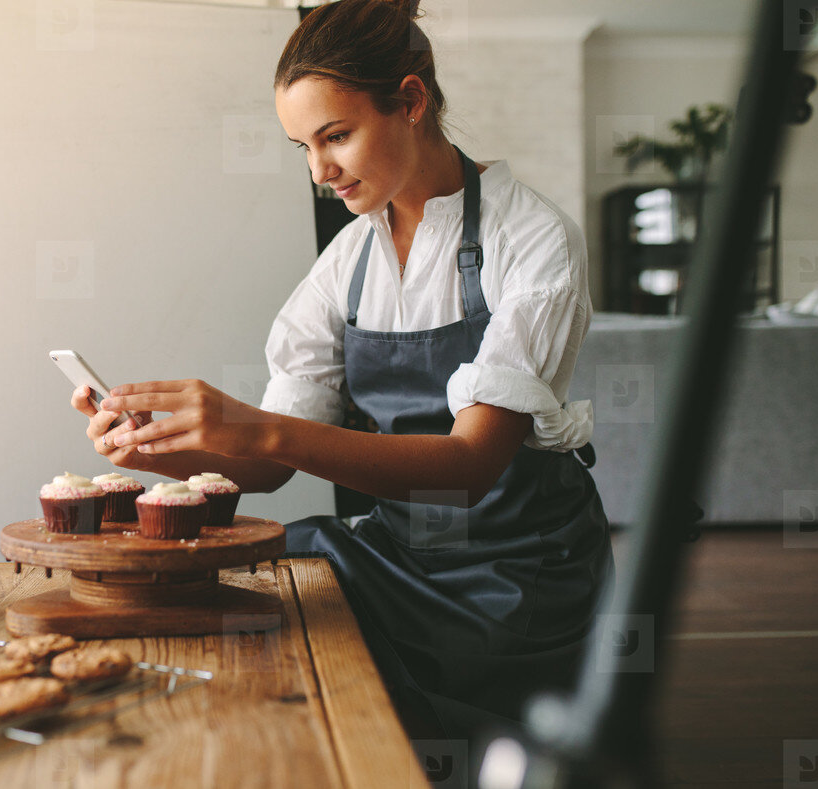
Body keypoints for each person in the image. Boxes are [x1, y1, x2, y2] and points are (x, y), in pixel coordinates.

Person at [70, 0, 613, 741]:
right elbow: (264, 468)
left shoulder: (536, 240)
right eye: (302, 145)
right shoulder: (348, 263)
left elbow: (466, 469)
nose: (320, 171)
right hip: (398, 551)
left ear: (411, 102)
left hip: (515, 574)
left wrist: (256, 428)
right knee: (245, 597)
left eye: (337, 136)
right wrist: (160, 445)